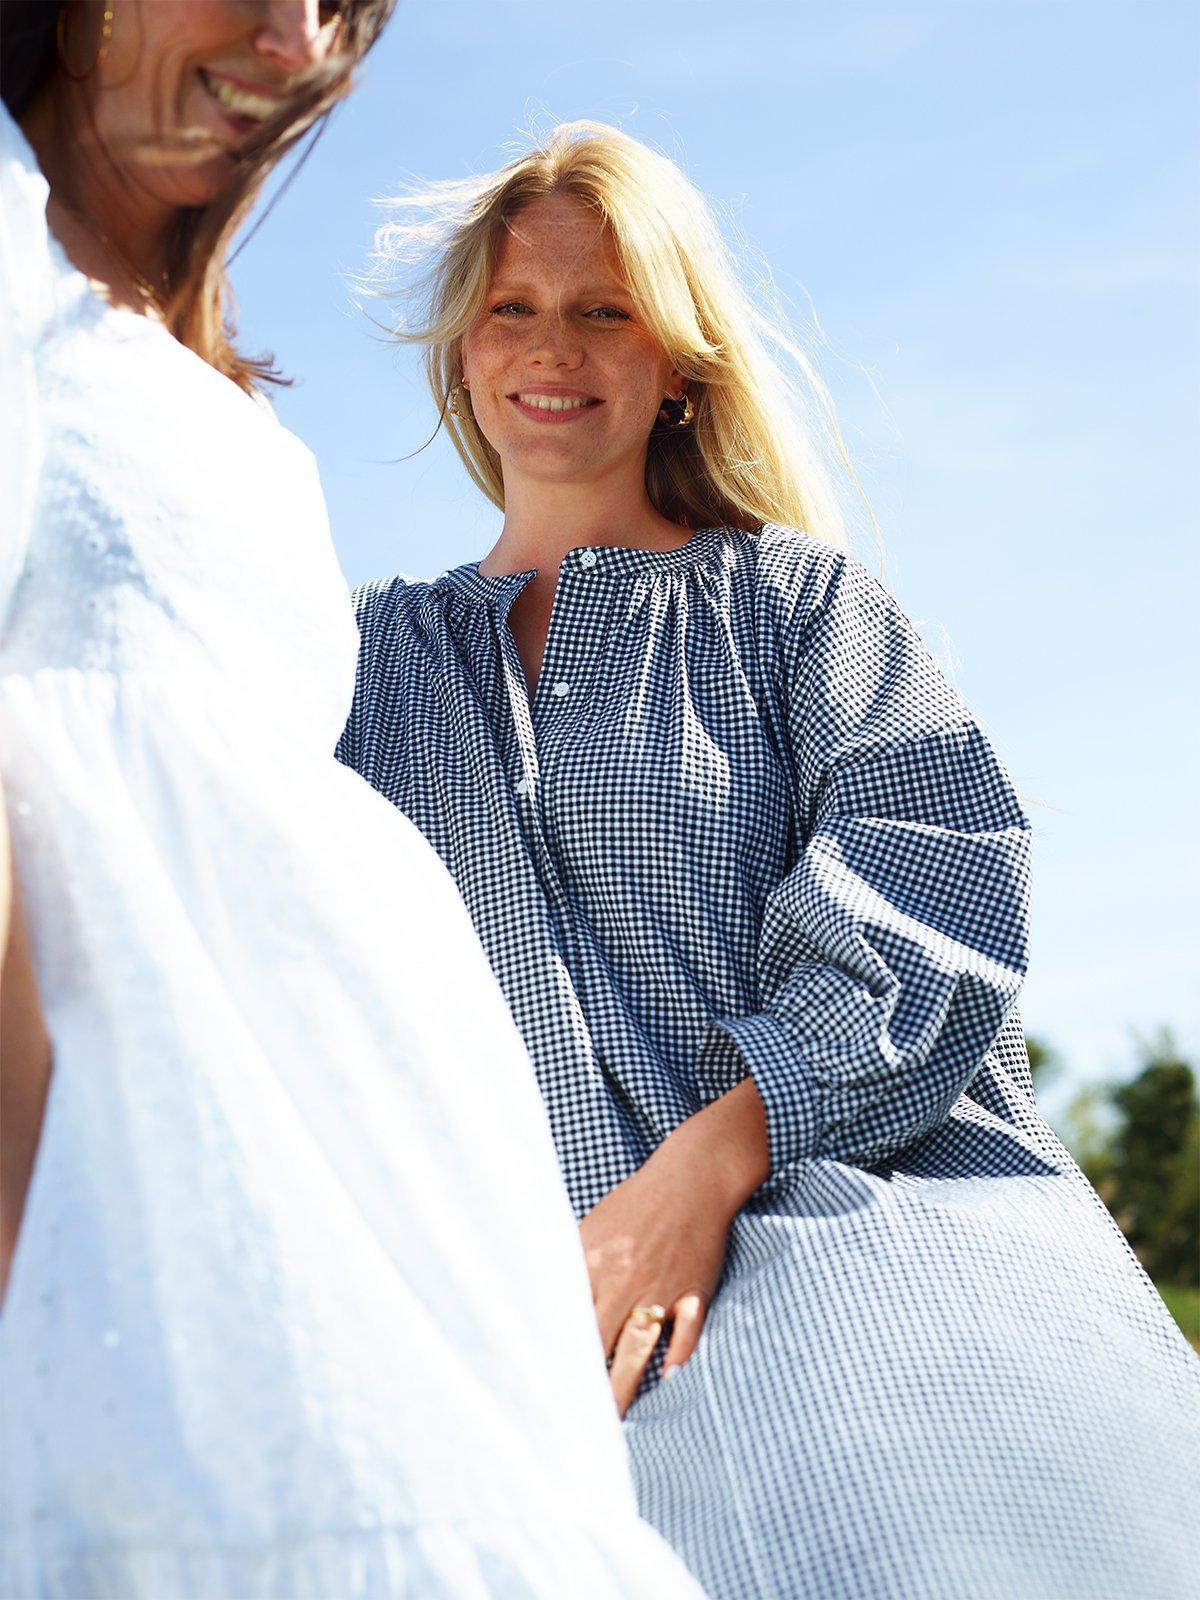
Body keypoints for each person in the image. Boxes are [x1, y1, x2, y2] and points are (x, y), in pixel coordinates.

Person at [340, 121, 1200, 1600]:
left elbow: (939, 903)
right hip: (529, 1318)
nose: (555, 348)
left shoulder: (802, 609)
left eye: (605, 308)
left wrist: (712, 1158)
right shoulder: (353, 669)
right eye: (514, 309)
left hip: (876, 1226)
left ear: (677, 357)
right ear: (463, 352)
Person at [0, 7, 709, 1596]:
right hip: (140, 1262)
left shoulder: (234, 410)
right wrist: (39, 1255)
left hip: (394, 1274)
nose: (291, 34)